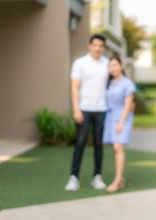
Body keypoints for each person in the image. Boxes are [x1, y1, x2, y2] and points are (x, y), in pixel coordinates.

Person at [65, 34, 109, 191]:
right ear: (89, 46)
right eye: (95, 45)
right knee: (80, 143)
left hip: (102, 109)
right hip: (84, 109)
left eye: (100, 46)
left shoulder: (107, 64)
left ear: (103, 48)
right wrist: (76, 109)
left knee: (98, 145)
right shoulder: (80, 63)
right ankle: (73, 178)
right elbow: (74, 87)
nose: (97, 48)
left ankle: (97, 177)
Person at [103, 57, 136, 193]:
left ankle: (117, 181)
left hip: (123, 117)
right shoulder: (109, 83)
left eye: (115, 65)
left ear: (121, 66)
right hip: (110, 117)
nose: (113, 68)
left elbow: (128, 104)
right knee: (116, 148)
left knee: (118, 147)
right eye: (110, 66)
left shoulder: (127, 83)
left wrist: (121, 122)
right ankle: (120, 178)